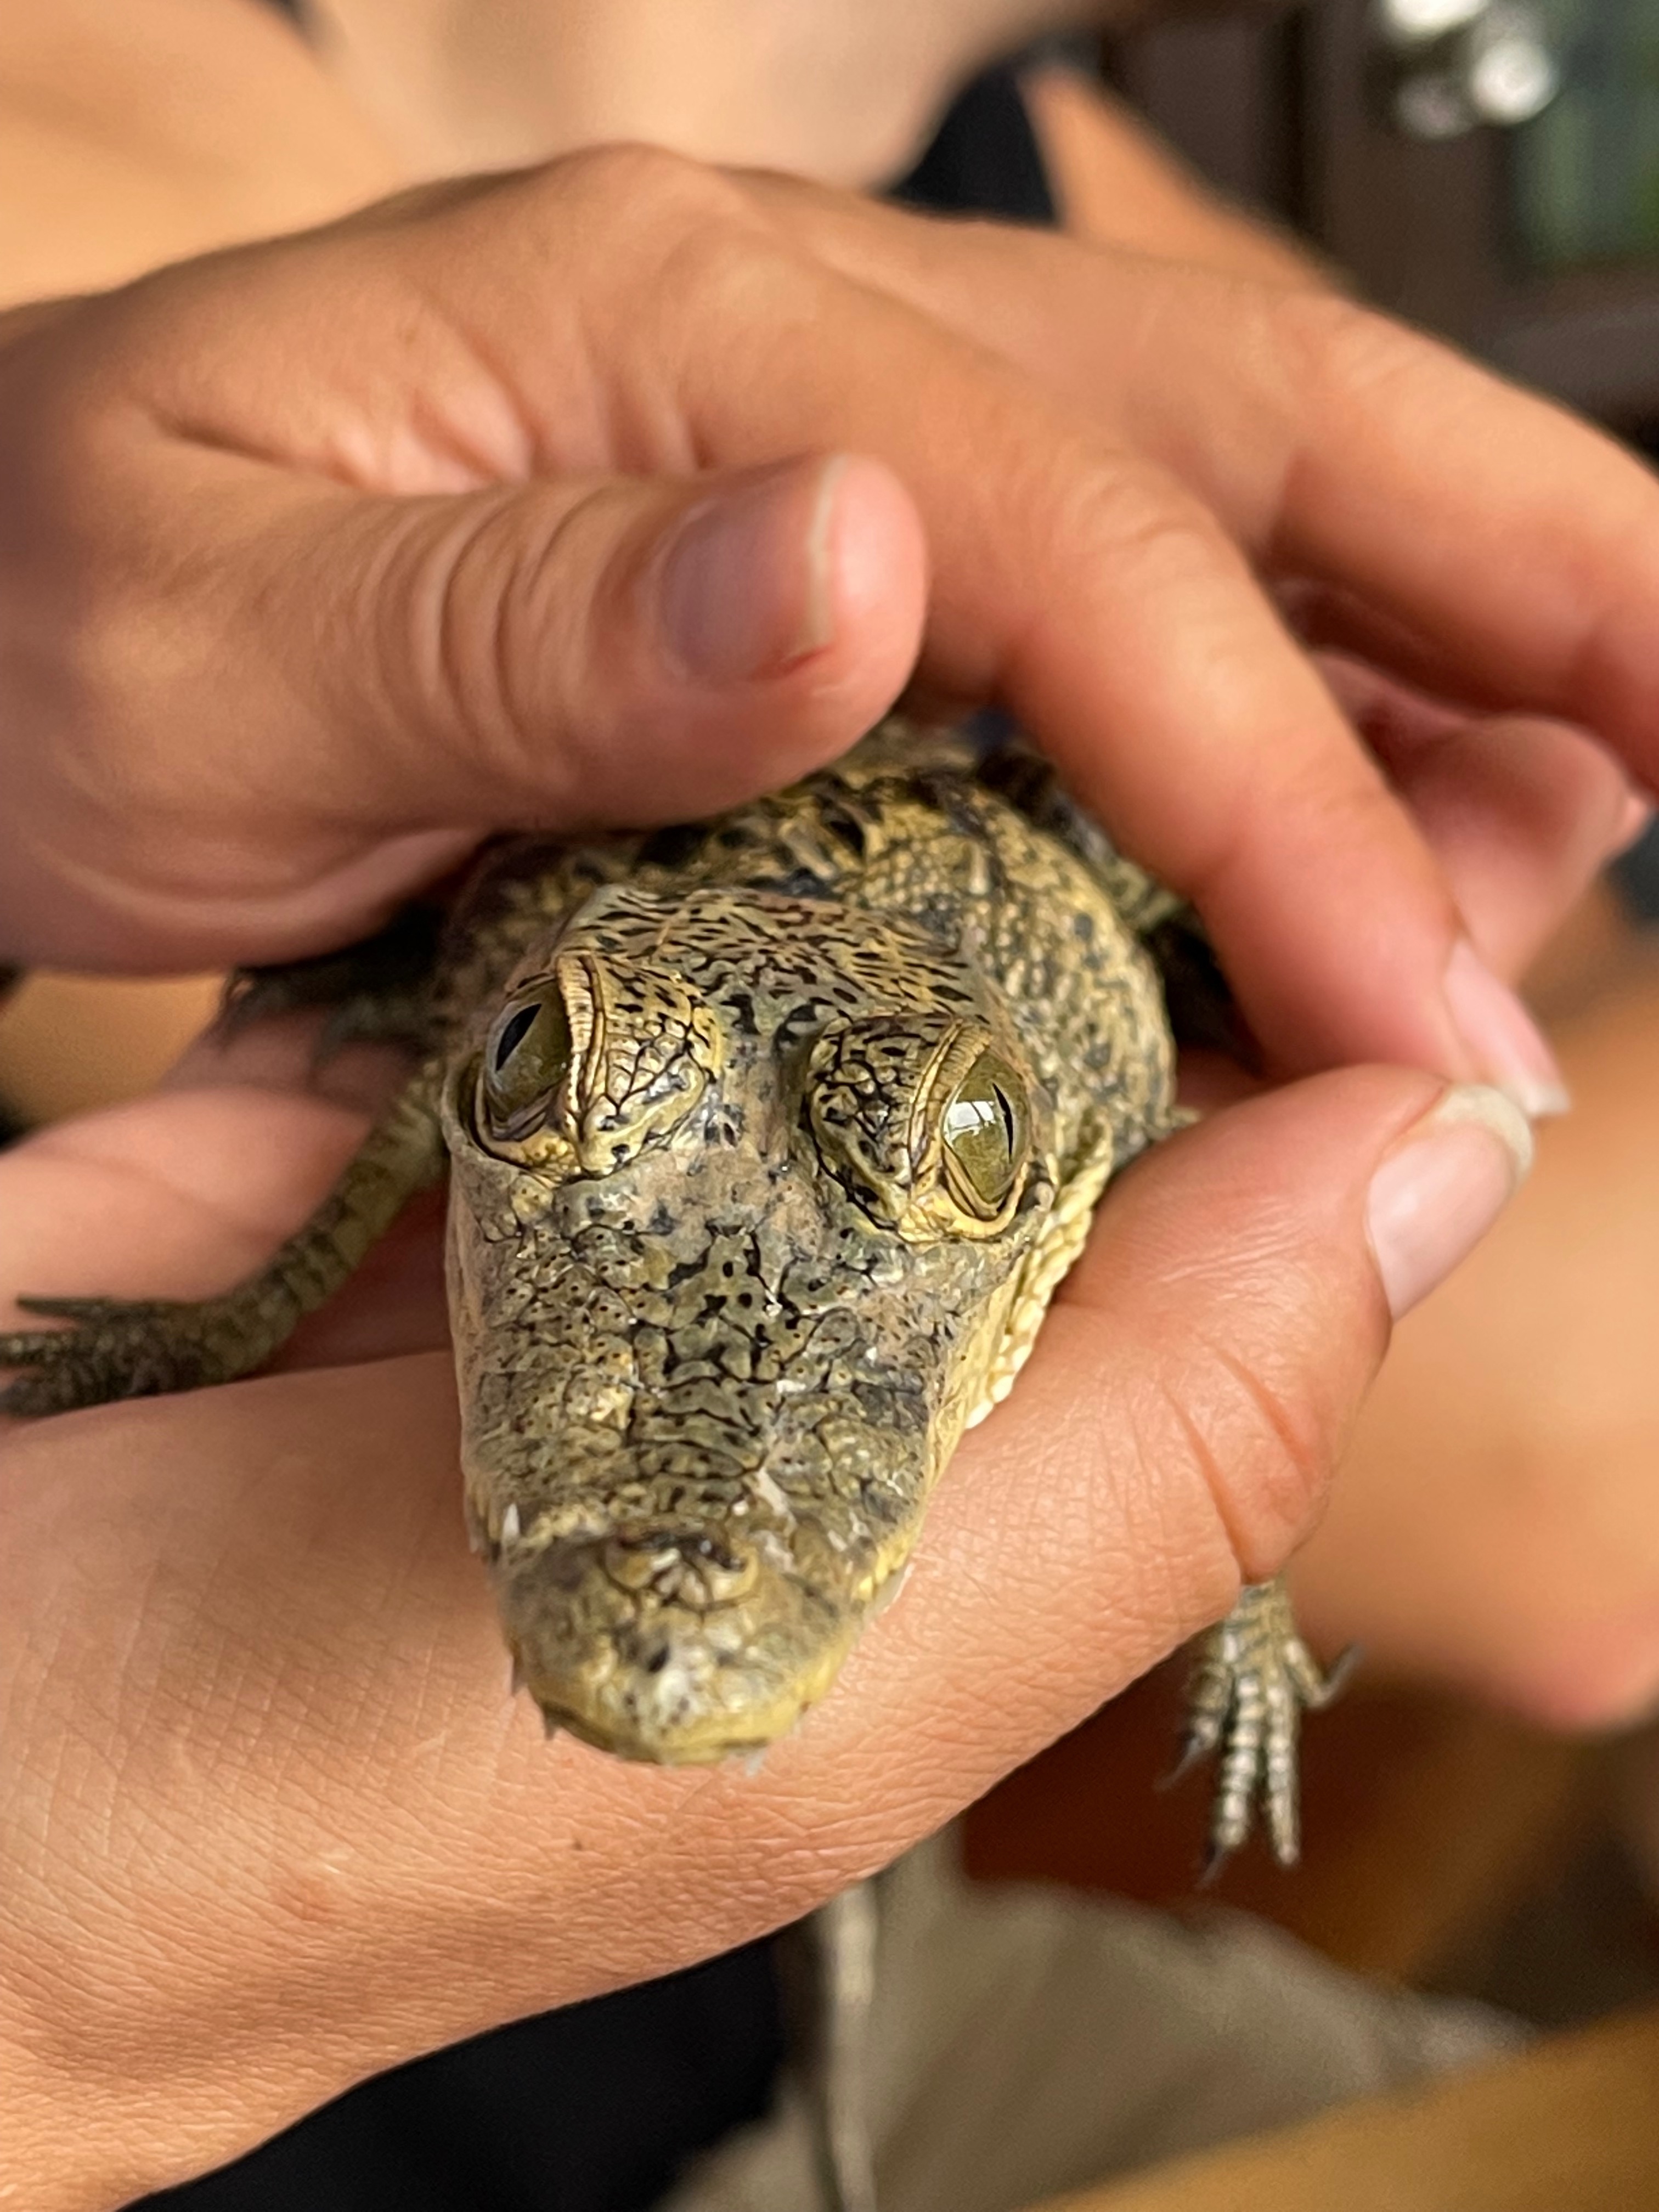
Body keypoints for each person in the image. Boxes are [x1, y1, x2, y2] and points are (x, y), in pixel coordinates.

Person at [2, 10, 1657, 2209]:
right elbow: (1567, 1505)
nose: (691, 1571)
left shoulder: (1019, 155)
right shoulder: (137, 192)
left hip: (814, 2002)